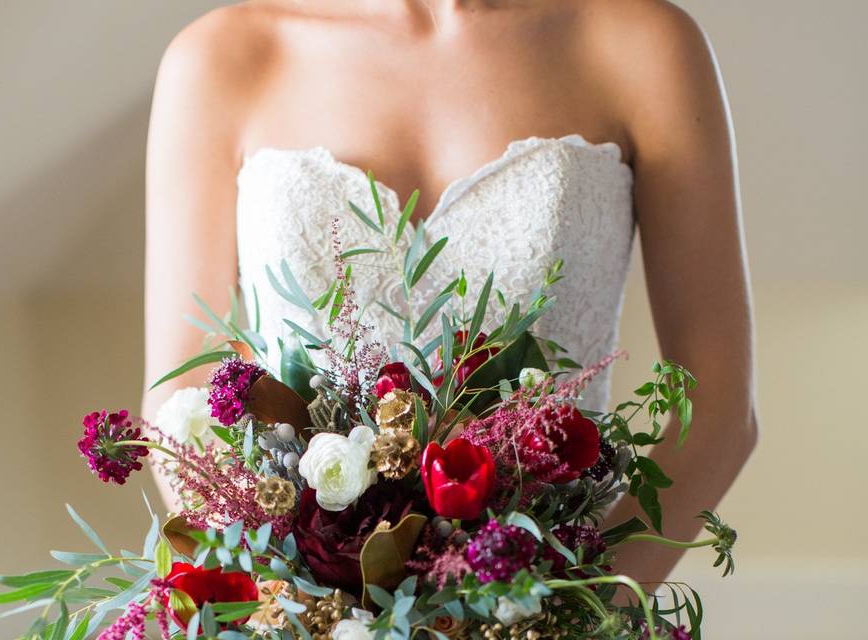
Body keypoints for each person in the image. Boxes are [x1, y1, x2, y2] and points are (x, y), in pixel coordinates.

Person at [142, 0, 758, 591]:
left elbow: (719, 408)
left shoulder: (642, 43)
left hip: (550, 599)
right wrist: (287, 608)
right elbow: (179, 404)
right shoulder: (221, 57)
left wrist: (581, 607)